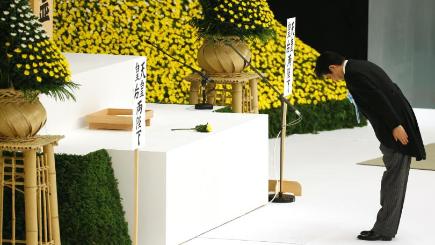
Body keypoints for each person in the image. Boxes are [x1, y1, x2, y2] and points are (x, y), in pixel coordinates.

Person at [315, 51, 426, 241]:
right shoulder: (360, 66)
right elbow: (387, 91)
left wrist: (395, 125)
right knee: (393, 176)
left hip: (396, 129)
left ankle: (384, 230)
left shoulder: (354, 75)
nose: (333, 80)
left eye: (329, 76)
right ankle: (384, 227)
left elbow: (379, 99)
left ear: (333, 68)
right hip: (396, 123)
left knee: (394, 178)